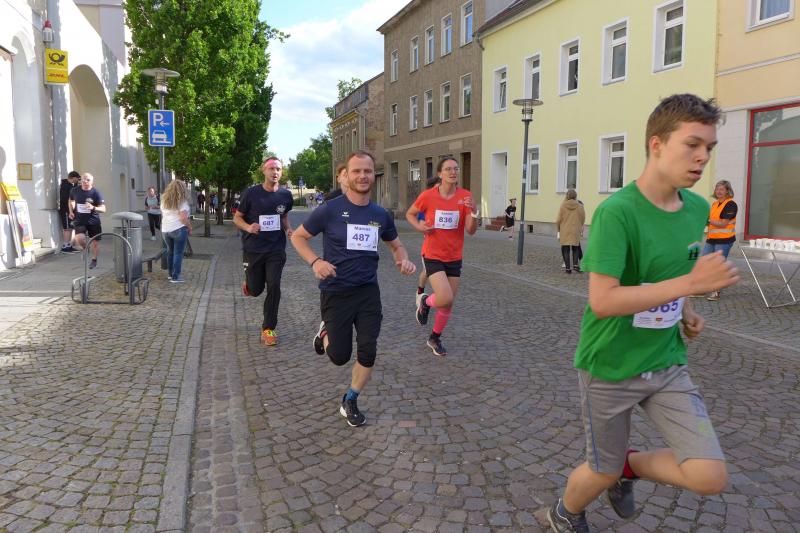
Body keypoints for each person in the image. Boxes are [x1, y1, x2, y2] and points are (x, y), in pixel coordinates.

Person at [547, 94, 739, 533]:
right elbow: (603, 301)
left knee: (709, 474)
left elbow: (674, 272)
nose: (703, 157)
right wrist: (690, 287)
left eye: (709, 147)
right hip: (610, 367)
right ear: (657, 144)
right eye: (692, 145)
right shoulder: (618, 212)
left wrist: (687, 309)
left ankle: (629, 467)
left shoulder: (697, 208)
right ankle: (565, 512)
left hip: (666, 363)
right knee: (601, 470)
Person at [290, 150, 415, 427]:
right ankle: (325, 331)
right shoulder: (329, 210)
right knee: (338, 356)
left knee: (368, 350)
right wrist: (316, 262)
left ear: (373, 175)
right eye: (357, 171)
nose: (362, 176)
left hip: (367, 291)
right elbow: (298, 237)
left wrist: (403, 259)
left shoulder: (380, 214)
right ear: (347, 175)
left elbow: (396, 245)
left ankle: (351, 399)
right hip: (336, 291)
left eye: (367, 171)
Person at [406, 157, 479, 357]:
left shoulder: (465, 196)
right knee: (444, 297)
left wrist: (474, 212)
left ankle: (434, 337)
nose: (453, 172)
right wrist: (420, 227)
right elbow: (410, 214)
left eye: (456, 168)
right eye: (448, 169)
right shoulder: (428, 196)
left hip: (454, 255)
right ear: (440, 173)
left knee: (448, 302)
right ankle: (426, 302)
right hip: (433, 254)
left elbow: (471, 230)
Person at [234, 157, 294, 346]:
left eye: (278, 169)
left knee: (274, 285)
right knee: (256, 290)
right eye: (271, 168)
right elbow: (237, 218)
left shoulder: (286, 195)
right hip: (253, 249)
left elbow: (283, 216)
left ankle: (268, 328)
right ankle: (249, 284)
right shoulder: (251, 193)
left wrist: (288, 229)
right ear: (264, 171)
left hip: (276, 249)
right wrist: (248, 227)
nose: (275, 172)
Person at [703, 180, 737, 301]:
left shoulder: (730, 204)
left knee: (718, 265)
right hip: (712, 239)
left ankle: (716, 291)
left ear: (728, 191)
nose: (719, 191)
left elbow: (723, 224)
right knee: (704, 263)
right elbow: (711, 221)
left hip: (724, 240)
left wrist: (707, 220)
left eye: (722, 189)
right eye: (717, 189)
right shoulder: (715, 204)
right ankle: (701, 289)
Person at [69, 173, 106, 269]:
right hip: (80, 220)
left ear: (92, 182)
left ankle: (94, 260)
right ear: (80, 180)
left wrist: (93, 207)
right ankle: (85, 248)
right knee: (79, 238)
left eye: (88, 180)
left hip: (93, 221)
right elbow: (71, 200)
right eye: (84, 179)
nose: (85, 181)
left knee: (95, 242)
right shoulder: (74, 190)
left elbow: (103, 209)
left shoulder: (96, 193)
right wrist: (71, 211)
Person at [415, 176, 441, 307]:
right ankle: (420, 292)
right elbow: (421, 225)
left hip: (447, 249)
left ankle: (439, 297)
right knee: (427, 272)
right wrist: (428, 228)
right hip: (431, 247)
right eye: (437, 188)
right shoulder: (425, 204)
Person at [161, 180, 192, 283]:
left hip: (166, 230)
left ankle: (171, 275)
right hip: (178, 229)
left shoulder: (164, 201)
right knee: (178, 253)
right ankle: (176, 277)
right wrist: (190, 227)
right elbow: (183, 218)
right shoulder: (182, 202)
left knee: (170, 252)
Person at [556, 189, 586, 274]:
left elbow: (558, 220)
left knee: (565, 249)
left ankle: (568, 269)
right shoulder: (580, 206)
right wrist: (580, 225)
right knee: (575, 247)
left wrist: (558, 229)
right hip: (575, 229)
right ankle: (575, 264)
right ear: (575, 196)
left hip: (565, 230)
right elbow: (583, 218)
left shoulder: (563, 205)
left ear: (567, 196)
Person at [59, 170, 80, 253]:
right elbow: (65, 198)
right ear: (73, 178)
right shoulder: (65, 186)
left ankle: (69, 245)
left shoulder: (71, 185)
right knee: (67, 228)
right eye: (77, 178)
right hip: (65, 210)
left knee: (70, 228)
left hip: (70, 210)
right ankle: (65, 246)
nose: (78, 180)